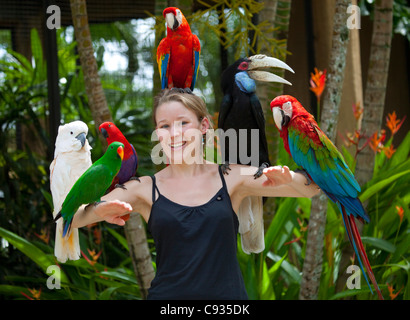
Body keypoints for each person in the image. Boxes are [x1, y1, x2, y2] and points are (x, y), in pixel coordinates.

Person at [71, 88, 320, 300]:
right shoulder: (143, 188)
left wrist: (291, 178)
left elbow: (312, 189)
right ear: (158, 134)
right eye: (164, 126)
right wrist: (96, 210)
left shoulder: (232, 176)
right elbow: (72, 218)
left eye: (183, 123)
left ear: (203, 126)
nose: (174, 133)